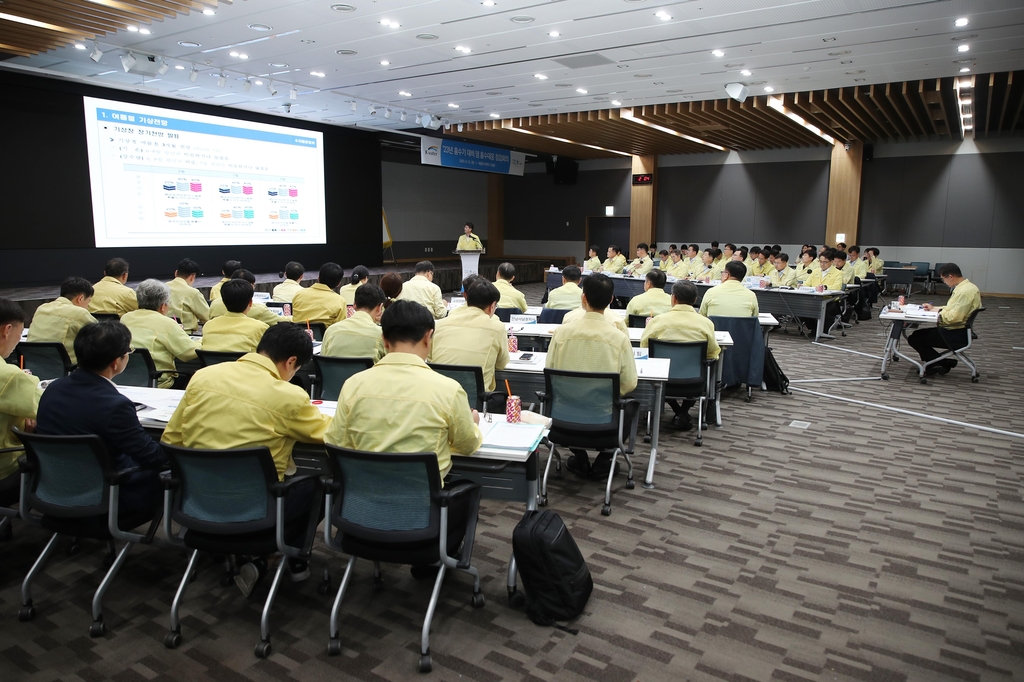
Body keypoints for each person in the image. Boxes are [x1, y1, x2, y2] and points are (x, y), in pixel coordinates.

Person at [163, 323, 332, 595]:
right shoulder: (289, 396)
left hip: (197, 502)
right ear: (291, 362)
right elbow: (329, 435)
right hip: (257, 508)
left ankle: (261, 554)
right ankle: (291, 556)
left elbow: (171, 440)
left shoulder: (204, 376)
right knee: (320, 484)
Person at [326, 299, 482, 479]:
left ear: (384, 340)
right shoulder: (449, 390)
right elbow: (467, 445)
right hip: (423, 502)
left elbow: (334, 443)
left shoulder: (353, 385)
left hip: (362, 499)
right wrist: (473, 424)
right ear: (427, 337)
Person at [36, 321, 167, 515]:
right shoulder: (116, 406)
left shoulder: (52, 388)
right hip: (110, 496)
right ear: (116, 362)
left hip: (53, 489)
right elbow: (153, 457)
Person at [545, 274, 637, 478]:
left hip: (563, 417)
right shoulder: (619, 338)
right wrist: (607, 393)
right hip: (604, 419)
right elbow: (629, 383)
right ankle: (605, 460)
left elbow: (550, 372)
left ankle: (579, 456)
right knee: (632, 405)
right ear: (612, 299)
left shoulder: (561, 333)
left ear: (583, 298)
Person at [640, 281, 720, 430]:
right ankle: (683, 412)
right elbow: (712, 352)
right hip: (693, 381)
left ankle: (678, 411)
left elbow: (644, 348)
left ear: (673, 298)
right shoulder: (706, 323)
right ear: (695, 300)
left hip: (661, 380)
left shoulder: (657, 321)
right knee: (711, 363)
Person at [429, 278, 509, 397]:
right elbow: (501, 364)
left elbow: (430, 359)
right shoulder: (497, 328)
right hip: (474, 401)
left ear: (467, 298)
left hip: (439, 397)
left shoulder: (439, 324)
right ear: (492, 306)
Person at [121, 279, 201, 389]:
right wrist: (203, 339)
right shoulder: (167, 324)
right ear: (163, 306)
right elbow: (188, 354)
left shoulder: (125, 318)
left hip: (128, 380)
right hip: (160, 383)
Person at [908, 263, 981, 375]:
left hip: (955, 333)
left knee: (915, 338)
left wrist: (938, 313)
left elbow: (954, 317)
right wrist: (935, 308)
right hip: (960, 330)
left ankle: (938, 363)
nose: (944, 283)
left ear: (950, 276)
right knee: (917, 336)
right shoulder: (967, 287)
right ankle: (941, 362)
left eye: (944, 279)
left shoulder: (964, 292)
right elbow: (952, 309)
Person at [0, 299, 41, 489]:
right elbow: (50, 409)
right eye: (19, 334)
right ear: (6, 330)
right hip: (5, 472)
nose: (17, 342)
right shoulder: (9, 377)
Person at [27, 276, 97, 365]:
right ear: (80, 298)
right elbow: (101, 337)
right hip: (66, 369)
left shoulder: (41, 308)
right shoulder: (80, 313)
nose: (88, 305)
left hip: (34, 366)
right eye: (89, 301)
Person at [321, 284, 387, 362]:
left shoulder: (331, 330)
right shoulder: (382, 335)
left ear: (354, 305)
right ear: (380, 307)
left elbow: (323, 361)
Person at [201, 279, 269, 353]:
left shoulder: (208, 326)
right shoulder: (261, 328)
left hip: (214, 365)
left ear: (223, 302)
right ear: (250, 303)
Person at [209, 269, 283, 326]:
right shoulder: (259, 310)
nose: (254, 287)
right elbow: (278, 320)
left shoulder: (214, 304)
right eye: (253, 285)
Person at [167, 258, 210, 333]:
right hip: (184, 334)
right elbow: (207, 317)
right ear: (192, 277)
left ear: (176, 273)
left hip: (162, 333)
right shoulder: (193, 293)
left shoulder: (161, 288)